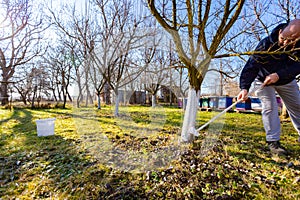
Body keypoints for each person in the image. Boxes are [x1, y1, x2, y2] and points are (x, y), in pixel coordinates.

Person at [237, 19, 300, 155]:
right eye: (283, 38)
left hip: (286, 80)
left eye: (290, 41)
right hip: (263, 80)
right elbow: (251, 66)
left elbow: (298, 66)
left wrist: (279, 75)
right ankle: (273, 143)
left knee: (298, 106)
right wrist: (244, 88)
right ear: (280, 31)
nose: (284, 43)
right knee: (269, 107)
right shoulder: (265, 44)